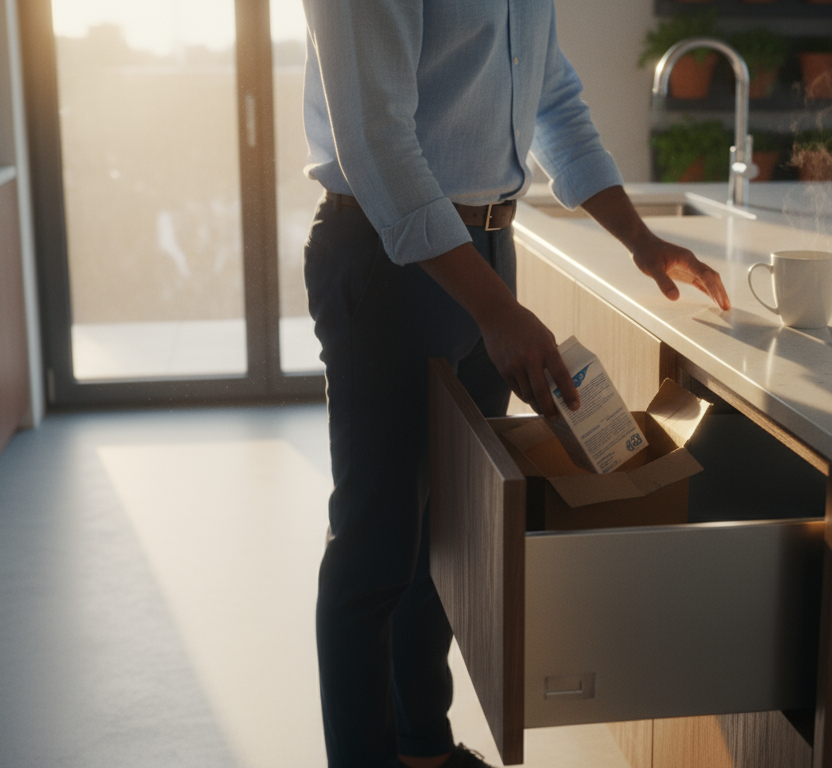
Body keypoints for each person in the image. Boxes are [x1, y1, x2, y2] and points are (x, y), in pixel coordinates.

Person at [300, 2, 730, 767]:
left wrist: (641, 240)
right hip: (389, 256)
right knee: (377, 548)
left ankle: (422, 749)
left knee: (445, 537)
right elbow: (376, 140)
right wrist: (497, 310)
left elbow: (554, 102)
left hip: (490, 250)